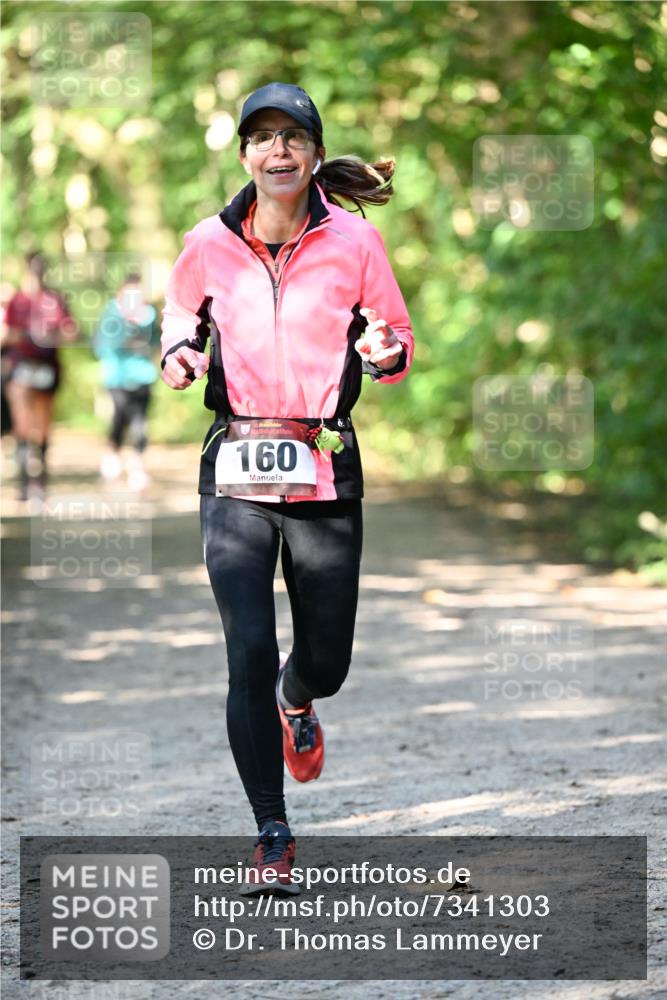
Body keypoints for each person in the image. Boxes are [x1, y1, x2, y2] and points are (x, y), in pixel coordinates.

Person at [161, 82, 414, 894]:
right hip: (234, 467)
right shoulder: (207, 240)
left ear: (311, 155)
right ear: (243, 155)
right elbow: (177, 321)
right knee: (246, 646)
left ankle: (297, 700)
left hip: (323, 462)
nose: (278, 151)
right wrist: (178, 355)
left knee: (325, 659)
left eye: (292, 138)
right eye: (262, 138)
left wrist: (383, 353)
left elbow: (396, 341)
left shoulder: (355, 243)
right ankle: (271, 829)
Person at [3, 254, 77, 501]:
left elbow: (70, 332)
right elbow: (7, 334)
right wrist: (25, 336)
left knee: (42, 427)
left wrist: (51, 336)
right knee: (22, 425)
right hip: (22, 366)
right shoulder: (17, 300)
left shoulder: (54, 300)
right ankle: (24, 483)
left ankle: (40, 480)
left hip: (46, 367)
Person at [93, 273, 159, 491]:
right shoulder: (111, 314)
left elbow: (156, 342)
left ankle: (138, 467)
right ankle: (112, 455)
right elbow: (101, 345)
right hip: (116, 376)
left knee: (140, 423)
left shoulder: (148, 314)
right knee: (119, 419)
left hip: (142, 375)